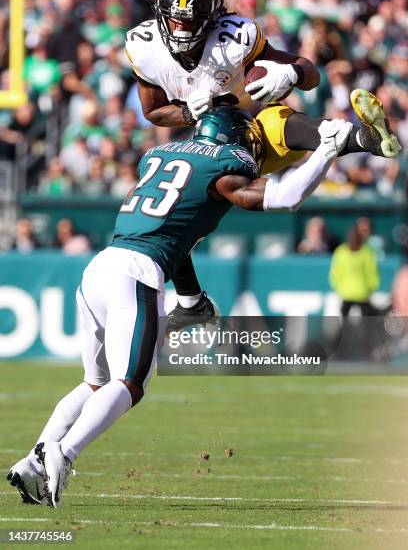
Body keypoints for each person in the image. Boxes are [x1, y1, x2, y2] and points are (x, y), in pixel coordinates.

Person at [7, 105, 349, 508]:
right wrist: (326, 149)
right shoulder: (223, 166)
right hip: (135, 275)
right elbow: (284, 197)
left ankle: (33, 459)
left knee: (94, 384)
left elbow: (177, 238)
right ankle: (63, 452)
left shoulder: (161, 155)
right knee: (130, 384)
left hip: (99, 269)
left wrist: (191, 299)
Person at [125, 0, 401, 329]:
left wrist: (290, 73)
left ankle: (365, 138)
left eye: (191, 20)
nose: (181, 29)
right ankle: (190, 299)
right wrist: (187, 113)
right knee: (170, 217)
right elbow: (154, 112)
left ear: (211, 17)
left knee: (276, 121)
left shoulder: (234, 37)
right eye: (175, 20)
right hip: (200, 141)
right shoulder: (144, 46)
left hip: (246, 128)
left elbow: (311, 75)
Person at [329, 226, 379, 317]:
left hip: (355, 293)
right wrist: (372, 287)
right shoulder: (343, 252)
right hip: (355, 293)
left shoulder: (365, 252)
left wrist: (337, 286)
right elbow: (371, 272)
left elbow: (335, 272)